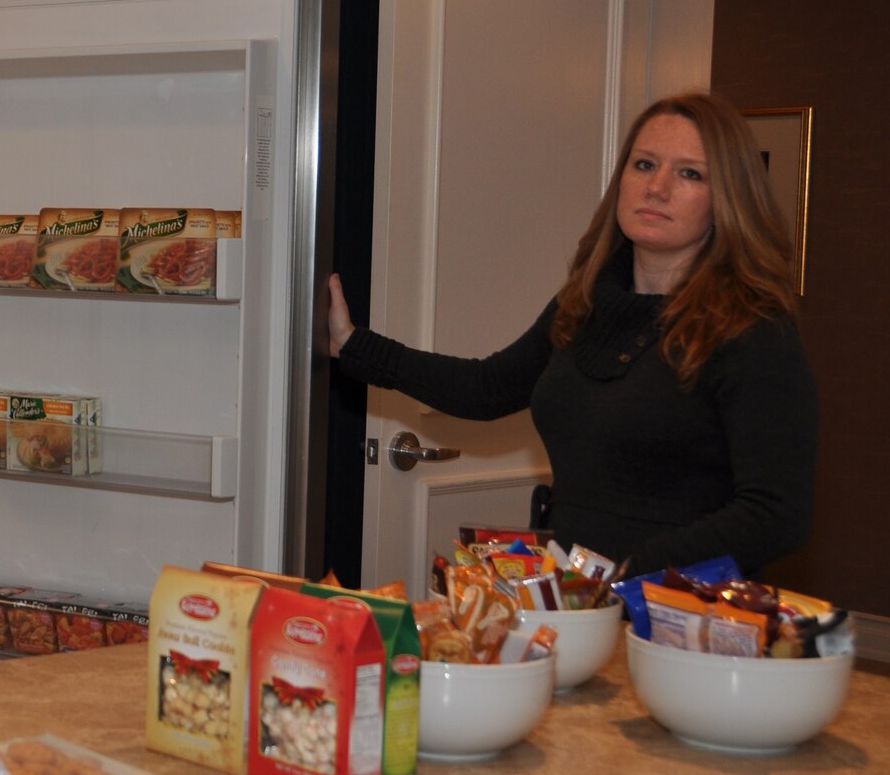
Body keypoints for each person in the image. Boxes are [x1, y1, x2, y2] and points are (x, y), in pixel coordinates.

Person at [328, 92, 817, 575]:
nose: (657, 188)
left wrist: (636, 570)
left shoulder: (753, 330)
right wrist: (355, 345)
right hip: (573, 600)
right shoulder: (584, 304)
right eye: (644, 165)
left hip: (675, 621)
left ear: (728, 199)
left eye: (690, 173)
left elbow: (777, 514)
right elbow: (489, 388)